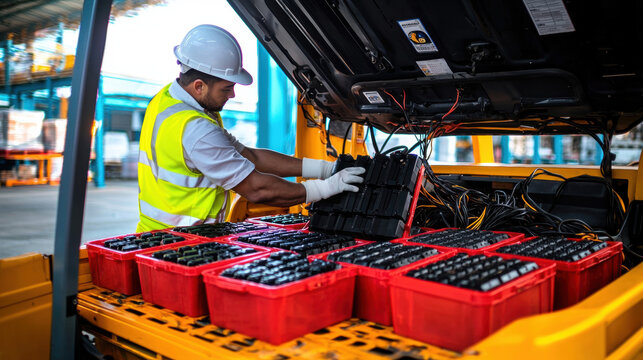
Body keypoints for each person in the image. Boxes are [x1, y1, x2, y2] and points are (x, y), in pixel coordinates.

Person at [136, 24, 364, 232]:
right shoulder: (196, 129)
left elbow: (251, 156)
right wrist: (324, 189)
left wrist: (324, 169)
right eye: (226, 88)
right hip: (179, 243)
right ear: (199, 86)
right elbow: (257, 189)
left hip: (154, 233)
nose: (232, 94)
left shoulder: (167, 101)